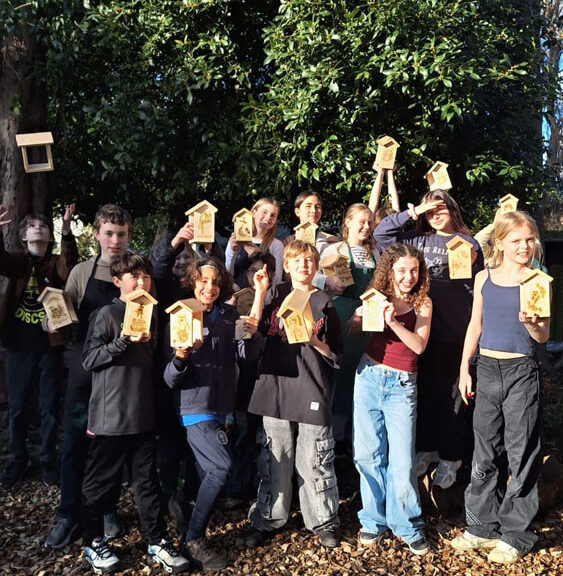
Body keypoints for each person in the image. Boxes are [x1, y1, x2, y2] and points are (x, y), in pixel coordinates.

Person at [80, 251, 189, 574]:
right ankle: (92, 542)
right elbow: (89, 360)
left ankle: (156, 540)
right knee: (100, 485)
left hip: (142, 415)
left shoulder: (152, 314)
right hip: (109, 418)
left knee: (146, 484)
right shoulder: (106, 314)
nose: (142, 282)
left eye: (146, 277)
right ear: (118, 282)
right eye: (134, 277)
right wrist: (123, 340)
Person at [450, 211, 550, 564]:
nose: (524, 246)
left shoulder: (538, 280)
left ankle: (515, 534)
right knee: (485, 450)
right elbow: (475, 326)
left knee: (522, 452)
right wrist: (465, 367)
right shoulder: (483, 278)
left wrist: (535, 325)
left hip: (522, 370)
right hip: (487, 369)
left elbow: (542, 335)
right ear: (501, 243)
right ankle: (480, 527)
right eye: (516, 240)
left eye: (529, 240)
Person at [374, 188, 484, 489]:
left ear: (453, 210)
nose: (435, 215)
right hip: (418, 331)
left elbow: (478, 289)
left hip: (453, 331)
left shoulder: (469, 243)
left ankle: (451, 458)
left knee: (452, 399)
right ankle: (426, 449)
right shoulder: (418, 241)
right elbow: (382, 235)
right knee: (423, 394)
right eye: (430, 210)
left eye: (441, 209)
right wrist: (412, 213)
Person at [163, 257, 263, 572]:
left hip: (222, 407)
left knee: (202, 471)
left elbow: (246, 354)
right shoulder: (181, 315)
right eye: (203, 281)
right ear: (193, 282)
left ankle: (181, 506)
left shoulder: (228, 315)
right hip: (194, 407)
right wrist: (180, 356)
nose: (209, 287)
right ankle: (193, 538)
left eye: (215, 282)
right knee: (221, 468)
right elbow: (169, 378)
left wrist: (259, 299)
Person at [242, 240, 343, 550]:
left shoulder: (325, 301)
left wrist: (315, 341)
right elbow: (251, 331)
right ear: (286, 265)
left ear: (316, 267)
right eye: (296, 261)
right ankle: (269, 518)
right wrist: (260, 292)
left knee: (315, 459)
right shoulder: (274, 295)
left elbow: (336, 354)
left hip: (313, 386)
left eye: (309, 261)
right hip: (275, 386)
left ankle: (323, 521)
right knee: (276, 456)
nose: (303, 266)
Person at [44, 204, 131, 549]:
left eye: (121, 234)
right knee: (74, 445)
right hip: (83, 374)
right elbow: (59, 315)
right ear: (96, 235)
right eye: (109, 233)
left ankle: (106, 509)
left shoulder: (134, 272)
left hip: (119, 377)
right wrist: (49, 324)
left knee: (108, 448)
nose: (115, 241)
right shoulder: (81, 271)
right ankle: (68, 513)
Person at [350, 244, 432, 556]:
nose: (408, 276)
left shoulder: (423, 303)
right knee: (368, 455)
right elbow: (352, 331)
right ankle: (373, 521)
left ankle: (407, 525)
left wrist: (394, 322)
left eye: (413, 270)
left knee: (402, 461)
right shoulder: (376, 295)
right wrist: (359, 318)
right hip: (369, 376)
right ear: (390, 271)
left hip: (401, 384)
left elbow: (419, 346)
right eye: (401, 270)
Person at [0, 204, 78, 488]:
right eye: (32, 225)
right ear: (23, 236)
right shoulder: (18, 261)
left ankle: (47, 461)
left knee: (48, 407)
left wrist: (67, 230)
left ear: (50, 235)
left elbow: (68, 267)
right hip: (18, 345)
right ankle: (17, 460)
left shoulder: (54, 263)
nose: (38, 228)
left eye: (43, 225)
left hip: (49, 346)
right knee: (18, 406)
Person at [321, 203, 379, 453]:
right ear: (348, 223)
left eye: (369, 222)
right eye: (361, 222)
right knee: (340, 374)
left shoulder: (375, 253)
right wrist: (327, 281)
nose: (366, 227)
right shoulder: (334, 249)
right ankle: (336, 440)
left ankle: (359, 441)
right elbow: (309, 276)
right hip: (341, 315)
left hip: (369, 320)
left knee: (362, 376)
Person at [225, 197, 284, 286]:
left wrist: (258, 255)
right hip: (236, 295)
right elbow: (227, 272)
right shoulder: (237, 239)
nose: (268, 217)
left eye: (273, 215)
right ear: (253, 212)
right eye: (264, 212)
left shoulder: (276, 245)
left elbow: (277, 279)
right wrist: (232, 251)